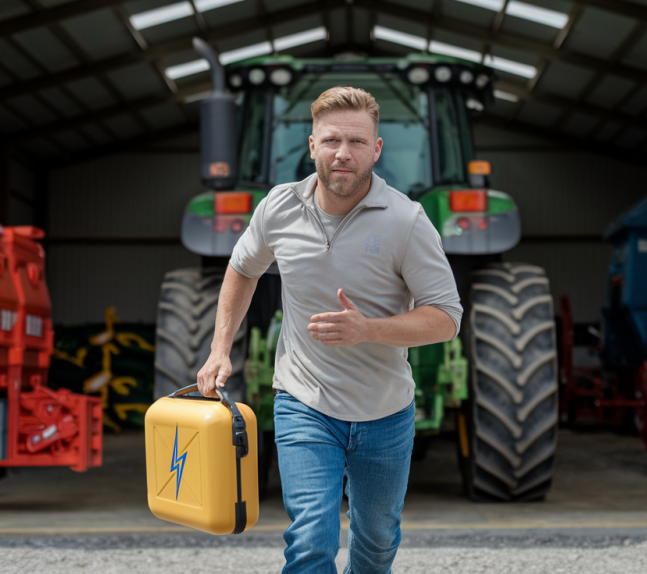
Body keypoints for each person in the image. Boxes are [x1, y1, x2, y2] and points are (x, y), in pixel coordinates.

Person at [196, 86, 462, 574]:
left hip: (385, 410)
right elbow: (242, 269)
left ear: (376, 149)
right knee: (310, 538)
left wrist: (369, 330)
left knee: (377, 540)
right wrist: (219, 349)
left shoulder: (407, 220)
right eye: (333, 140)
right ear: (312, 144)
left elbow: (446, 318)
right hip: (304, 402)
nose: (344, 153)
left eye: (358, 142)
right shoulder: (278, 207)